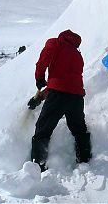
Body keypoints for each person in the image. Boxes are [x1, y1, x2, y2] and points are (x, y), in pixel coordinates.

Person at [28, 29, 92, 172]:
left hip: (58, 95)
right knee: (79, 130)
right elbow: (66, 82)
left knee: (43, 130)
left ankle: (37, 167)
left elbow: (44, 61)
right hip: (76, 98)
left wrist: (39, 77)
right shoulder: (77, 56)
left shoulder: (55, 43)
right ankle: (85, 161)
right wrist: (40, 96)